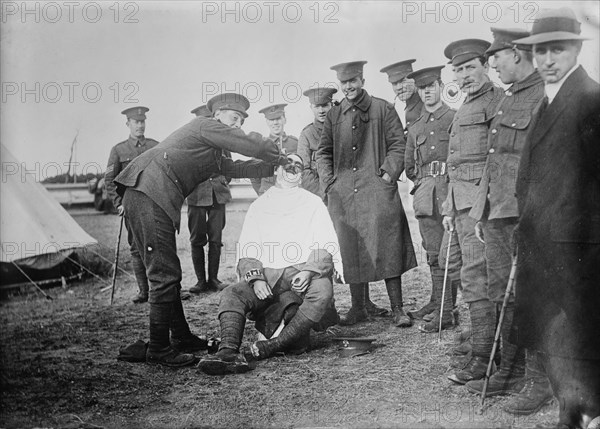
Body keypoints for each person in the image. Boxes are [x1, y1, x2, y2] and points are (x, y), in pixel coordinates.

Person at [114, 93, 284, 368]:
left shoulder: (210, 147)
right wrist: (275, 151)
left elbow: (237, 167)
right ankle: (158, 348)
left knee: (167, 272)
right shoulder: (205, 126)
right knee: (164, 274)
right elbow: (246, 143)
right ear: (218, 116)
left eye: (241, 120)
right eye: (234, 118)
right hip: (149, 192)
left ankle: (180, 338)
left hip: (149, 193)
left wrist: (279, 164)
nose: (237, 124)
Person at [512, 9, 600, 426]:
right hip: (541, 246)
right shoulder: (543, 103)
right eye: (540, 51)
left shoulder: (591, 100)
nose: (547, 59)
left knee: (582, 337)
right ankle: (571, 409)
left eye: (557, 50)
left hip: (579, 250)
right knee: (553, 337)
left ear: (577, 49)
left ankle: (587, 410)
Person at [464, 28, 549, 409]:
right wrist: (480, 211)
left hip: (524, 214)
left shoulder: (542, 97)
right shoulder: (510, 98)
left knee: (532, 296)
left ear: (516, 53)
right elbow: (494, 159)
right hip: (498, 214)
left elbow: (546, 166)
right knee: (504, 294)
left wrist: (535, 215)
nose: (492, 64)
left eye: (496, 56)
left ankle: (538, 380)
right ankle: (511, 369)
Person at [198, 154, 342, 375]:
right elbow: (249, 247)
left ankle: (271, 346)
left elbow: (325, 242)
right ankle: (227, 352)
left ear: (302, 175)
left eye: (298, 165)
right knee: (232, 294)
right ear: (277, 170)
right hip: (269, 276)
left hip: (301, 275)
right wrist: (255, 278)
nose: (292, 168)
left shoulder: (313, 203)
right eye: (287, 164)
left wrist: (308, 271)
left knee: (323, 291)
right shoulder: (260, 205)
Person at [317, 60, 417, 328]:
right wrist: (329, 183)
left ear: (362, 80)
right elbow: (323, 152)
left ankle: (398, 308)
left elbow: (399, 144)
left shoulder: (383, 108)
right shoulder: (334, 115)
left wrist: (387, 174)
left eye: (353, 81)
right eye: (344, 82)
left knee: (388, 244)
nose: (348, 86)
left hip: (377, 189)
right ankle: (358, 307)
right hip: (344, 194)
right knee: (351, 247)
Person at [441, 40, 504, 384]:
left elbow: (495, 162)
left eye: (470, 67)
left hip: (483, 207)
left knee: (478, 277)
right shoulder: (467, 104)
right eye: (458, 70)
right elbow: (458, 163)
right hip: (462, 205)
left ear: (486, 65)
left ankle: (485, 358)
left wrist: (478, 209)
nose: (464, 75)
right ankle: (482, 343)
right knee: (467, 274)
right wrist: (450, 208)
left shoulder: (496, 102)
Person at [403, 65, 462, 332]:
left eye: (431, 86)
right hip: (427, 196)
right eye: (422, 88)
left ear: (440, 85)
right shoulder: (415, 128)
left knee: (451, 253)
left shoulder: (454, 117)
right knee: (433, 253)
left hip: (451, 192)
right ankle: (438, 303)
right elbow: (409, 167)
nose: (427, 92)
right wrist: (424, 183)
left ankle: (446, 311)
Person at [104, 106, 159, 304]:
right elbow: (109, 180)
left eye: (142, 121)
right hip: (131, 207)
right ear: (128, 124)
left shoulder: (155, 146)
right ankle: (144, 291)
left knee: (158, 246)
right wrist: (119, 203)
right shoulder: (118, 150)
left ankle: (161, 289)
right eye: (136, 122)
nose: (140, 125)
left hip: (154, 204)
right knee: (136, 248)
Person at [186, 105, 232, 293]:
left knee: (216, 238)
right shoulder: (189, 143)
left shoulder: (221, 141)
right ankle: (200, 281)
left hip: (217, 196)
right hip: (196, 195)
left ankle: (213, 279)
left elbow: (228, 167)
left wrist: (220, 183)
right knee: (197, 238)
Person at [297, 87, 337, 197]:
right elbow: (304, 170)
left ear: (331, 105)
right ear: (311, 107)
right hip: (319, 196)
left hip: (343, 194)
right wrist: (321, 195)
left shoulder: (342, 130)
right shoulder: (307, 134)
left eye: (325, 105)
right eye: (317, 106)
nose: (321, 111)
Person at [250, 103, 298, 196]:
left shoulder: (295, 143)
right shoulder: (261, 145)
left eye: (278, 118)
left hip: (291, 194)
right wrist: (262, 192)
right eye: (271, 120)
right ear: (267, 122)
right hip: (269, 194)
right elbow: (253, 174)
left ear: (284, 120)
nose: (275, 123)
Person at [380, 59, 424, 135]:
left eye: (403, 81)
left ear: (414, 79)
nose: (399, 87)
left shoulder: (426, 103)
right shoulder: (410, 104)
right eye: (394, 84)